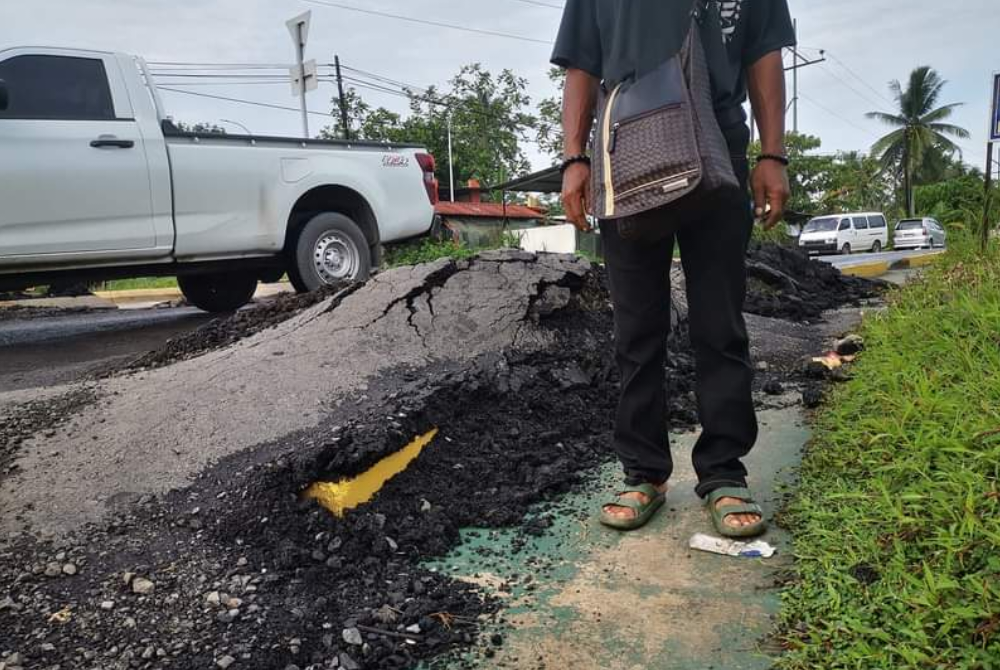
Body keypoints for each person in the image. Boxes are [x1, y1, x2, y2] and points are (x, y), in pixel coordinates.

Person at [552, 0, 795, 537]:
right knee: (637, 329)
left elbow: (763, 53)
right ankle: (644, 474)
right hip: (629, 157)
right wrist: (574, 160)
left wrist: (772, 155)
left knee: (720, 325)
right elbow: (582, 67)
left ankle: (724, 471)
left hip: (720, 153)